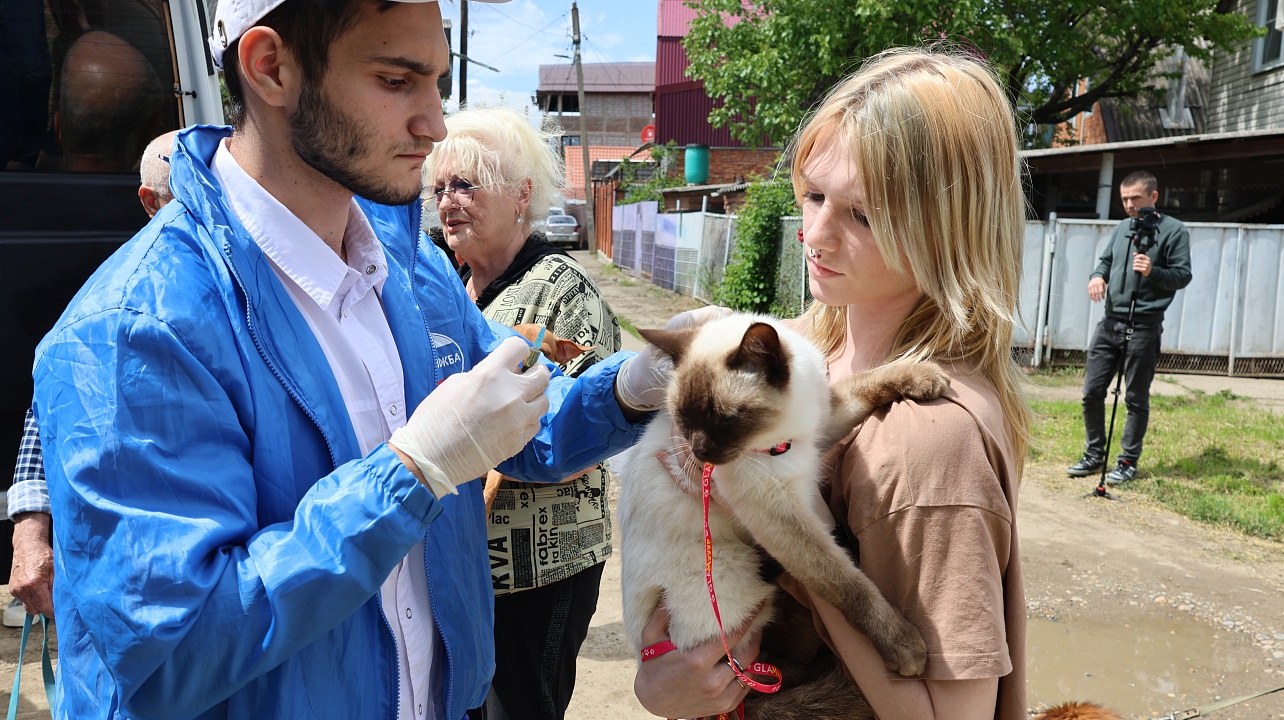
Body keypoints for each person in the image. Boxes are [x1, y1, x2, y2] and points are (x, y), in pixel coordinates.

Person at [28, 1, 686, 719]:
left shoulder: (410, 267)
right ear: (270, 67)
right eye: (397, 80)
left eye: (437, 81)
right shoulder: (136, 328)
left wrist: (635, 387)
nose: (434, 124)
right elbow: (170, 653)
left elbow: (512, 417)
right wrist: (413, 472)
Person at [633, 47, 1032, 720]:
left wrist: (806, 540)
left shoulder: (932, 439)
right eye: (814, 195)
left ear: (947, 227)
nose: (814, 234)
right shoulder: (808, 357)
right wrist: (662, 681)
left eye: (863, 215)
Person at [423, 106, 621, 720]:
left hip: (539, 573)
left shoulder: (562, 289)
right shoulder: (446, 283)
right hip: (462, 569)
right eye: (439, 188)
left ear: (522, 195)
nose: (448, 202)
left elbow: (589, 426)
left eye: (466, 184)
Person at [5, 127, 179, 628]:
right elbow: (50, 404)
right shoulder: (109, 296)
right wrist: (31, 526)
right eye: (184, 203)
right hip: (127, 569)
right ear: (150, 202)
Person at [1066, 170, 1192, 485]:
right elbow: (1106, 261)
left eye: (1135, 198)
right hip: (1110, 322)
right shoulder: (1123, 227)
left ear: (1154, 196)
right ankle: (1094, 455)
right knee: (1092, 392)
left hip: (1145, 325)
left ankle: (1126, 461)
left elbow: (1183, 275)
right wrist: (1098, 276)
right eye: (1124, 199)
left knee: (1135, 397)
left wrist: (1153, 272)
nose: (1129, 205)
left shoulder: (1174, 231)